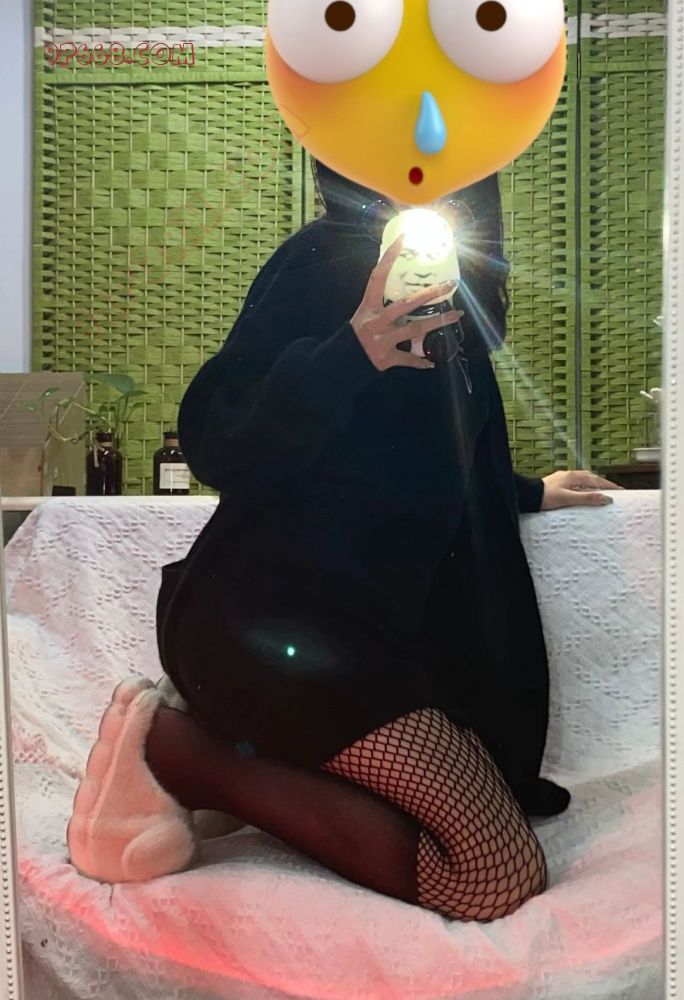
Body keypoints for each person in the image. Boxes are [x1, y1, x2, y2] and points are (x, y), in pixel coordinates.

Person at [66, 160, 621, 921]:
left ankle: (232, 748)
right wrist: (348, 354)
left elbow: (435, 464)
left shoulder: (454, 295)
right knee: (493, 876)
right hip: (268, 625)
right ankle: (178, 752)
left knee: (490, 838)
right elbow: (215, 438)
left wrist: (530, 491)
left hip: (366, 644)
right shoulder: (323, 257)